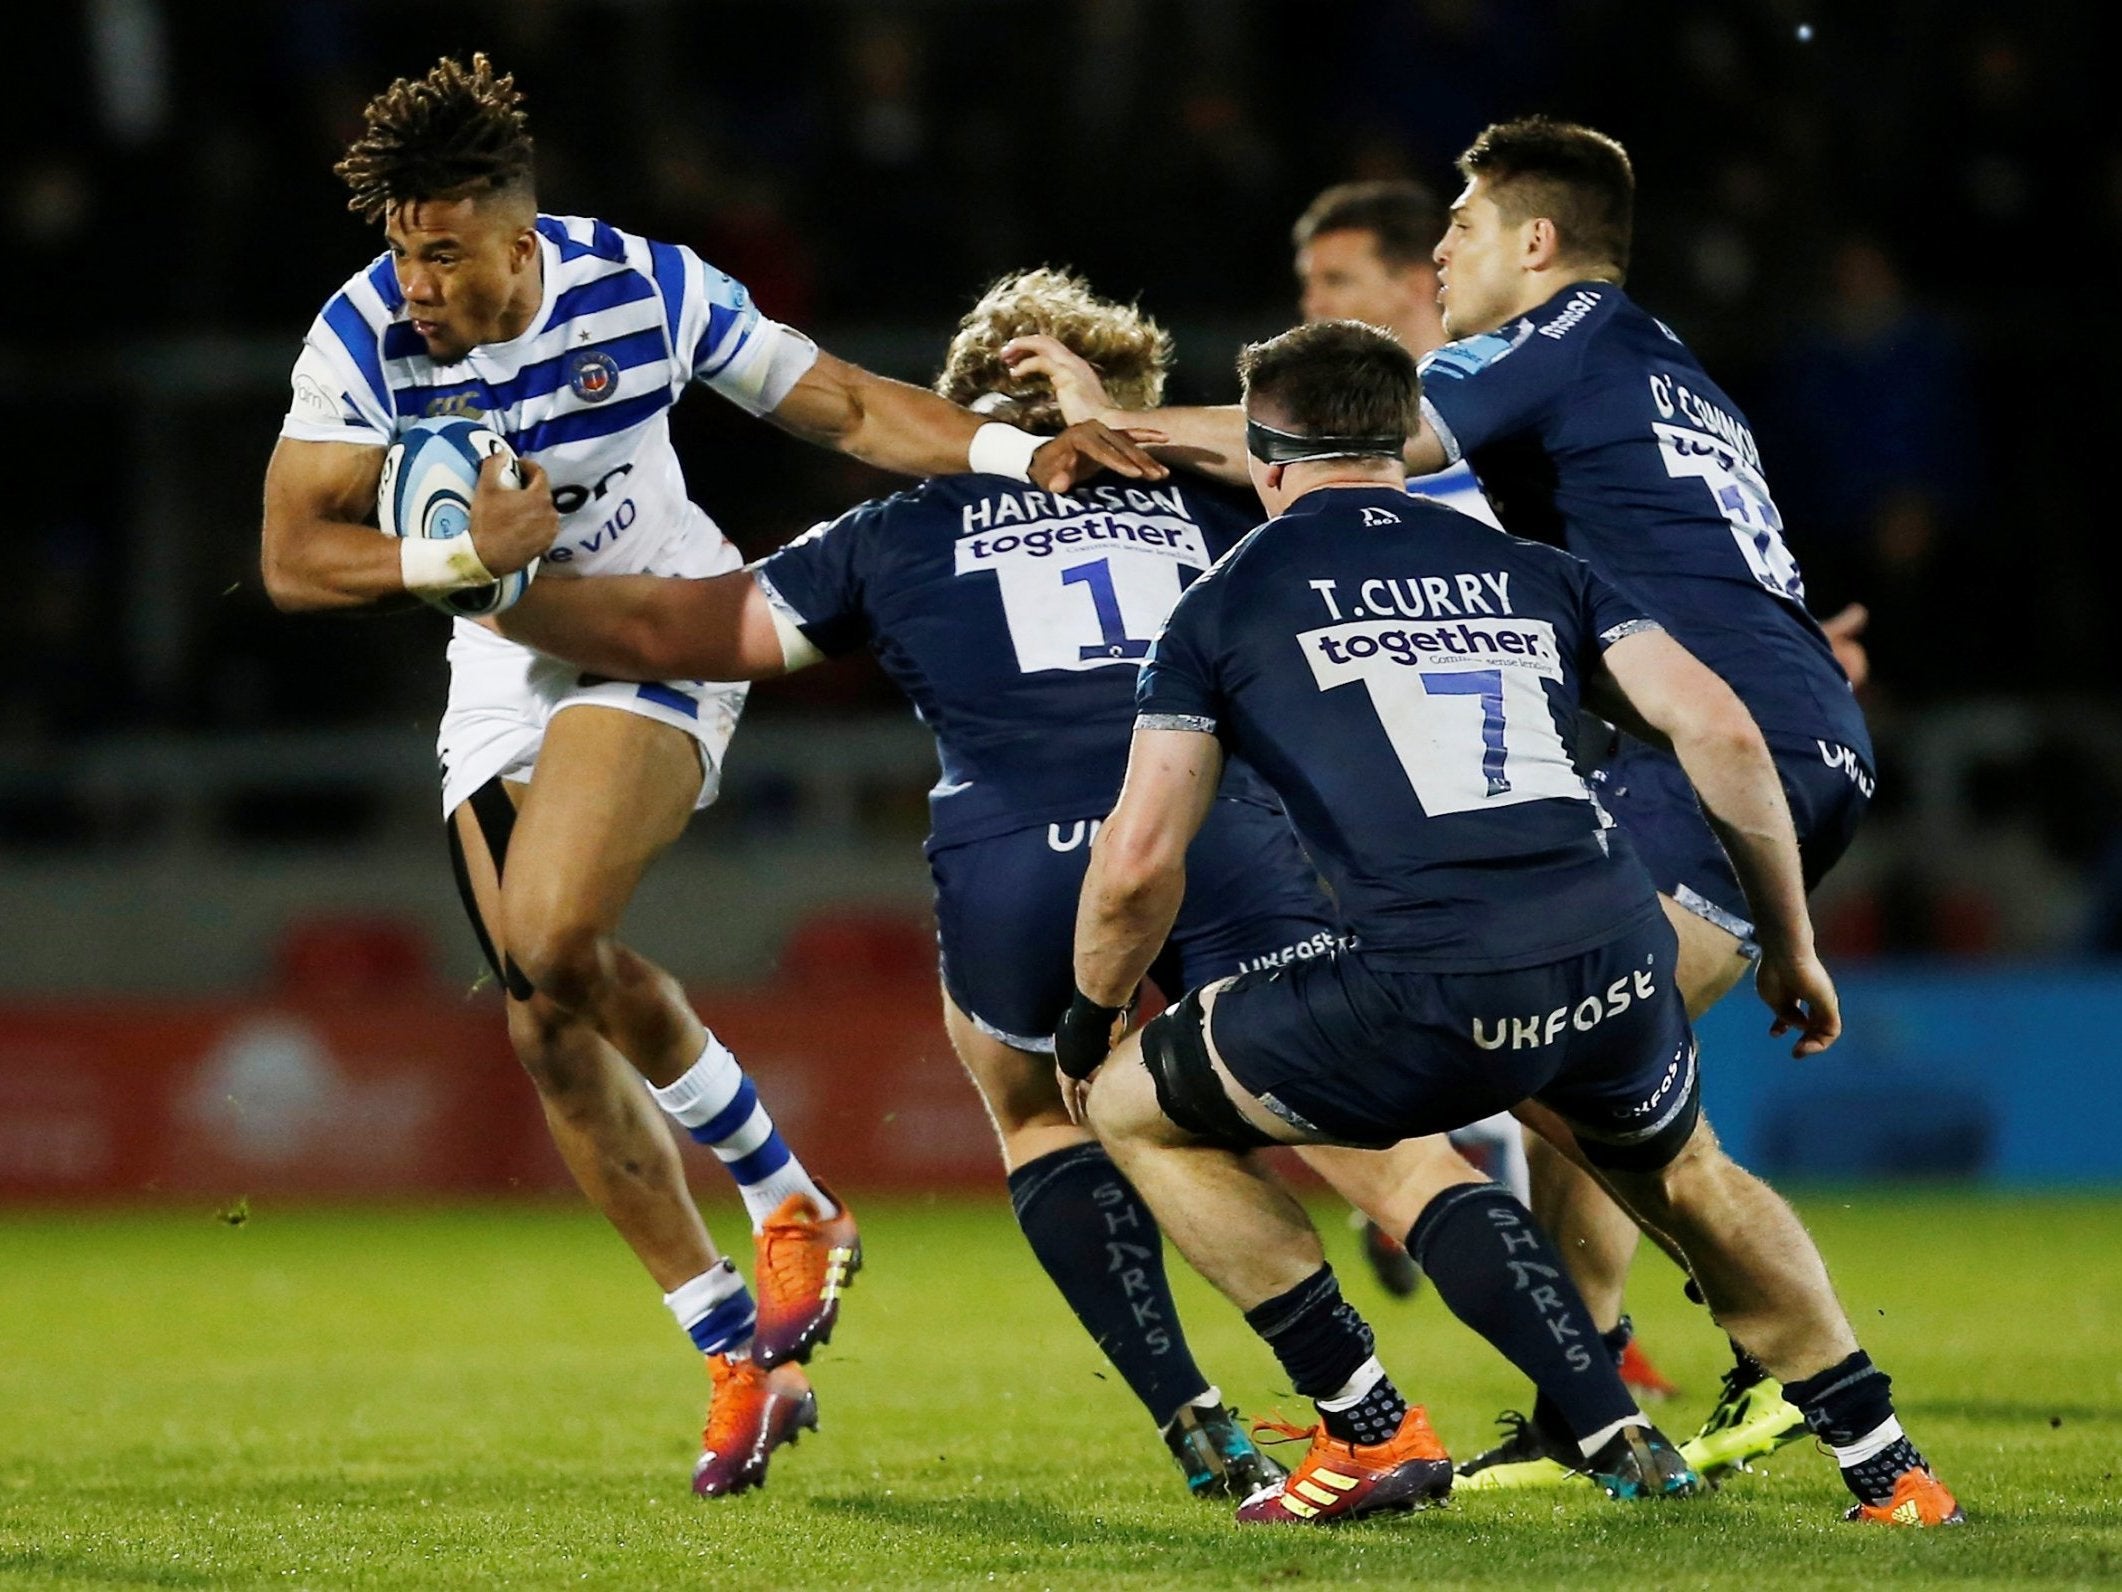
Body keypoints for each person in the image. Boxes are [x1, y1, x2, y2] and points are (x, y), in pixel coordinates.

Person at [488, 268, 1689, 1506]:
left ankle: (1215, 1415)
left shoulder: (894, 528)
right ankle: (1609, 1430)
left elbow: (676, 634)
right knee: (1377, 1147)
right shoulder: (1217, 505)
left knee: (1046, 1121)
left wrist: (490, 586)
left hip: (1015, 862)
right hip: (1219, 840)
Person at [259, 54, 1158, 1499]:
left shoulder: (644, 289)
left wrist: (1015, 450)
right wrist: (457, 561)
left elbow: (847, 409)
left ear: (517, 237)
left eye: (441, 254)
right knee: (545, 1025)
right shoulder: (361, 333)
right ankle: (736, 1346)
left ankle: (790, 1198)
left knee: (548, 938)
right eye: (400, 251)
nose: (414, 283)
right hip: (500, 647)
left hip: (666, 620)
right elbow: (293, 556)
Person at [1003, 119, 1878, 1487]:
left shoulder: (1564, 332)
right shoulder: (1657, 362)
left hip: (1718, 750)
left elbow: (1352, 437)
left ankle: (1797, 1374)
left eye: (1459, 231)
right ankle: (1596, 1401)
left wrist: (1105, 425)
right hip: (1761, 734)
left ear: (1534, 244)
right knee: (1574, 1067)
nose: (1443, 254)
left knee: (1571, 1052)